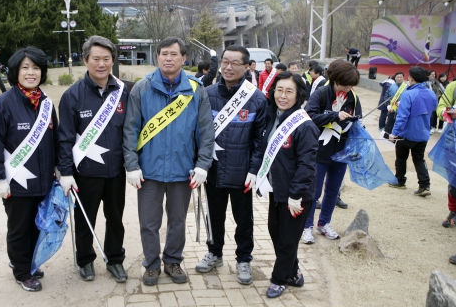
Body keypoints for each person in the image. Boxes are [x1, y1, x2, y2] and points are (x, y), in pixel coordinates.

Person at [122, 37, 215, 286]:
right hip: (148, 172)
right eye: (164, 53)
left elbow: (206, 131)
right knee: (149, 223)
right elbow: (130, 128)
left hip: (183, 170)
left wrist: (202, 164)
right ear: (157, 57)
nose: (168, 58)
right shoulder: (142, 88)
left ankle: (173, 261)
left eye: (174, 54)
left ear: (184, 58)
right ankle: (151, 265)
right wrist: (131, 164)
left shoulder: (196, 90)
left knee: (177, 221)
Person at [0, 46, 59, 292]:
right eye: (25, 68)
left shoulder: (45, 102)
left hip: (43, 180)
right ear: (16, 71)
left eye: (36, 68)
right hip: (17, 182)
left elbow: (54, 139)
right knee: (19, 228)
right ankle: (22, 271)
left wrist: (58, 168)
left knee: (38, 224)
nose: (31, 73)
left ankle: (30, 264)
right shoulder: (2, 104)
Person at [57, 36, 129, 283]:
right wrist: (65, 173)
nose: (101, 64)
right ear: (85, 60)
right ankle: (85, 260)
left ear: (112, 61)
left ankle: (115, 260)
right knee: (85, 219)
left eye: (106, 59)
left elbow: (130, 130)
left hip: (117, 171)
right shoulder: (72, 96)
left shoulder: (123, 92)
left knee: (115, 218)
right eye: (96, 59)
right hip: (85, 173)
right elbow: (64, 138)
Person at [195, 45, 266, 285]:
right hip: (213, 171)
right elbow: (199, 132)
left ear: (247, 67)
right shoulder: (207, 93)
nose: (228, 67)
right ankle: (214, 253)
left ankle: (244, 258)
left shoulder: (256, 98)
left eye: (235, 63)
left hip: (241, 173)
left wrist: (254, 170)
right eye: (225, 61)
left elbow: (260, 140)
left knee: (243, 220)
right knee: (214, 216)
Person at [261, 71, 319, 299]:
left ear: (299, 95)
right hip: (277, 190)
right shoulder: (274, 116)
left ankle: (280, 279)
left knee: (287, 239)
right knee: (276, 232)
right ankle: (293, 272)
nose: (282, 96)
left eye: (289, 91)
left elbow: (307, 164)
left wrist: (296, 194)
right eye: (279, 90)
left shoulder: (304, 126)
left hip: (296, 194)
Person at [301, 60, 362, 244]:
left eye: (352, 85)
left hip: (341, 152)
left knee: (333, 191)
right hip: (319, 151)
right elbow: (308, 116)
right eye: (346, 84)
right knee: (314, 191)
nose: (349, 88)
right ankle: (306, 227)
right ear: (335, 80)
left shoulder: (353, 96)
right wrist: (334, 115)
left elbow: (357, 119)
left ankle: (324, 223)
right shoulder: (321, 93)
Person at [388, 67, 437, 196]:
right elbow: (433, 109)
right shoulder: (431, 93)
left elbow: (402, 117)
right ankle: (424, 185)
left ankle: (400, 181)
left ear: (412, 79)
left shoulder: (408, 94)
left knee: (401, 158)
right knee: (419, 159)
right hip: (423, 132)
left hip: (406, 133)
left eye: (409, 77)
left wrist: (394, 132)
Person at [436, 56, 456, 228]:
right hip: (455, 143)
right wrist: (446, 113)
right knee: (454, 180)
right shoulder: (454, 87)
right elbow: (441, 107)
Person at [384, 72, 406, 136]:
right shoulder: (391, 86)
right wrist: (387, 104)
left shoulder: (406, 87)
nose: (399, 78)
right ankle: (387, 135)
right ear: (395, 78)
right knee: (389, 123)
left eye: (401, 77)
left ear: (403, 78)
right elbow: (386, 96)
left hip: (402, 109)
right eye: (398, 77)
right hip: (392, 108)